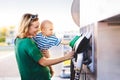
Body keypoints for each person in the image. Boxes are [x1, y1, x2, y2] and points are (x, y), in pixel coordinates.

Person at [14, 13, 74, 80]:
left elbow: (35, 59)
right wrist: (66, 57)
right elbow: (43, 62)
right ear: (26, 27)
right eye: (36, 27)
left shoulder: (18, 40)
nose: (38, 30)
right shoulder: (28, 42)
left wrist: (47, 57)